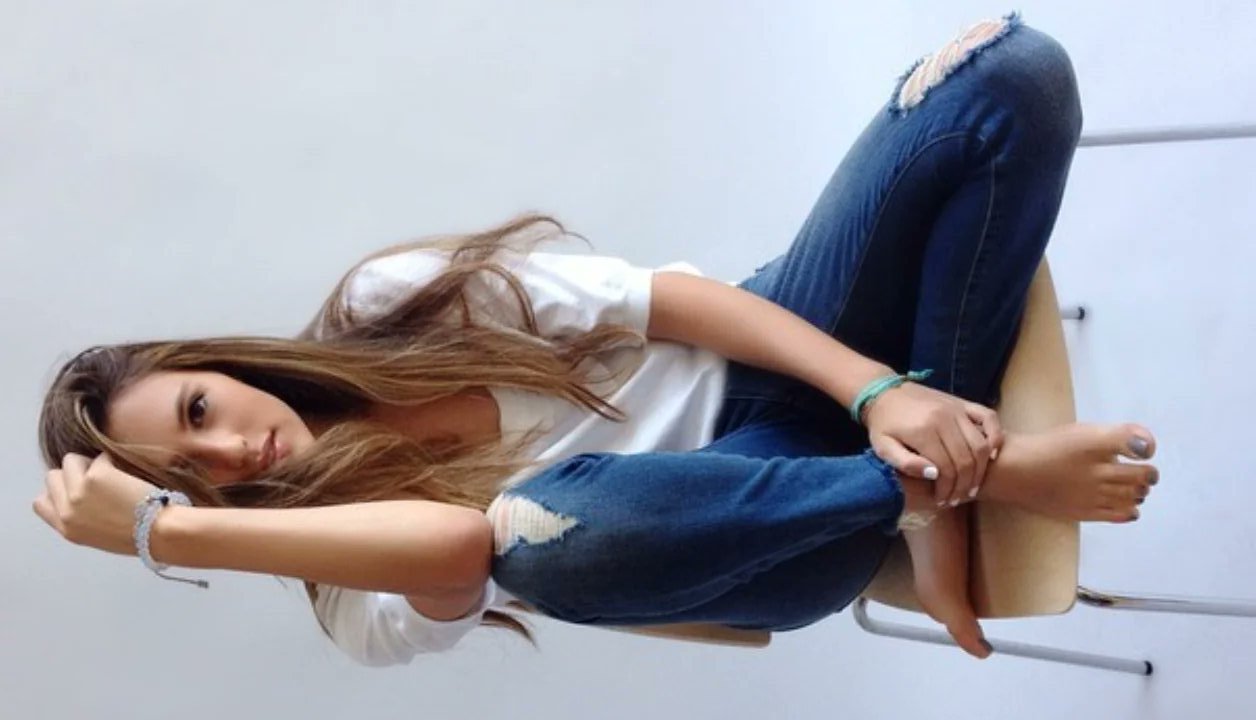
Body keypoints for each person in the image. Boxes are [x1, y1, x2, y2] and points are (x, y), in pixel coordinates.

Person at [32, 15, 1158, 667]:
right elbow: (458, 552)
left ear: (216, 365)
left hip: (783, 347)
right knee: (528, 541)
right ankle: (931, 486)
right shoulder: (349, 599)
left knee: (998, 74)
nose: (229, 450)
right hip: (771, 533)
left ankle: (941, 474)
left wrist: (874, 395)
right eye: (190, 478)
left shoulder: (387, 302)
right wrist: (167, 535)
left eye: (197, 411)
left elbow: (671, 306)